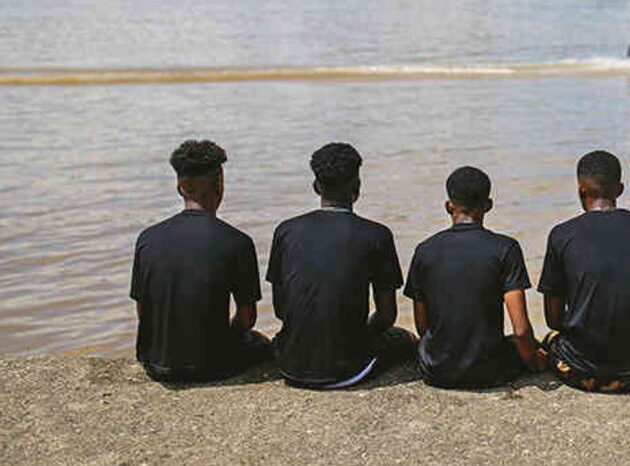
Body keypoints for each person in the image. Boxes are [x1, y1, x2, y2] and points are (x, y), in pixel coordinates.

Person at [539, 150, 630, 392]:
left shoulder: (562, 235)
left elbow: (554, 319)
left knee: (549, 342)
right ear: (620, 189)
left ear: (580, 190)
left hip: (583, 372)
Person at [266, 142, 414, 389]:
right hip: (351, 370)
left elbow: (282, 310)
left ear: (316, 187)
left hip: (291, 367)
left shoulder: (286, 231)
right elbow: (387, 316)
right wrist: (363, 330)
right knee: (403, 338)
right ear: (357, 188)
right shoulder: (377, 235)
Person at [130, 139, 272, 382]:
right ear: (220, 184)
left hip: (156, 363)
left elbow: (143, 311)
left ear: (180, 187)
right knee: (259, 342)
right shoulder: (237, 242)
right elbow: (246, 318)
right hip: (212, 366)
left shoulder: (147, 238)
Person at [403, 166, 542, 388]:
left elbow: (423, 327)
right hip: (491, 372)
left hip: (437, 371)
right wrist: (534, 361)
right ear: (488, 205)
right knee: (530, 344)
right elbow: (521, 330)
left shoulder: (425, 251)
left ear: (449, 206)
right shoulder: (505, 248)